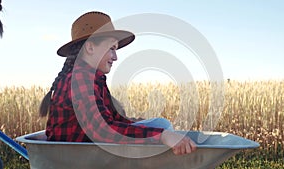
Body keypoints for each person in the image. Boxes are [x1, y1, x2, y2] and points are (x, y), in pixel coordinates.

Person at [39, 11, 196, 155]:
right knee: (163, 127)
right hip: (77, 157)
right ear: (90, 47)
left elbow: (110, 120)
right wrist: (162, 136)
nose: (115, 57)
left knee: (160, 124)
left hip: (90, 152)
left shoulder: (91, 78)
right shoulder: (80, 79)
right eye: (111, 48)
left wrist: (134, 122)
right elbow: (103, 130)